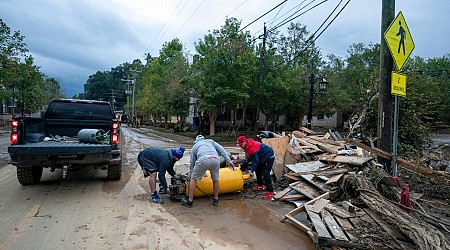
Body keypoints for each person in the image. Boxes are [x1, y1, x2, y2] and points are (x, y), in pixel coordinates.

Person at [181, 135, 235, 207]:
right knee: (215, 180)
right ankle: (216, 200)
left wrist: (191, 175)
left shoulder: (195, 146)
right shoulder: (210, 141)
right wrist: (229, 161)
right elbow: (222, 150)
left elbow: (192, 163)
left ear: (196, 141)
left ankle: (190, 201)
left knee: (193, 179)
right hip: (215, 160)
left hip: (203, 160)